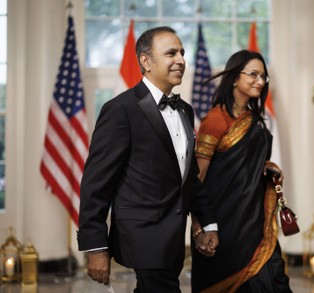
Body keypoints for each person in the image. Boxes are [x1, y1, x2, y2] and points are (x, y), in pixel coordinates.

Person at [77, 26, 219, 292]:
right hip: (142, 237)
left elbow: (187, 177)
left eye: (182, 53)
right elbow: (96, 184)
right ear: (146, 61)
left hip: (174, 238)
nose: (181, 60)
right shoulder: (120, 110)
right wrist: (96, 247)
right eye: (171, 53)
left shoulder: (185, 111)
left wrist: (207, 221)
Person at [190, 50, 292, 292]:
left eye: (263, 77)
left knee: (274, 281)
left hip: (256, 224)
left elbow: (245, 163)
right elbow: (197, 180)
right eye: (253, 74)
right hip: (224, 228)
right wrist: (198, 230)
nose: (260, 81)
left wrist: (266, 167)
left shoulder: (256, 119)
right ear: (235, 77)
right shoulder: (216, 120)